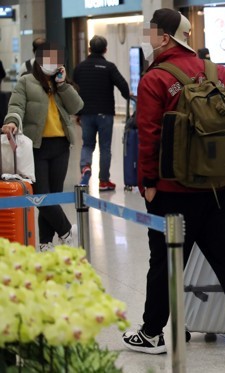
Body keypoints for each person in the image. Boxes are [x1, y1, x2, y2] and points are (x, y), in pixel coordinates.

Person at [121, 8, 225, 363]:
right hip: (219, 186)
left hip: (173, 190)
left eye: (153, 32)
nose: (150, 38)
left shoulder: (156, 78)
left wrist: (147, 181)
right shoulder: (215, 70)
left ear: (164, 37)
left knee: (164, 261)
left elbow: (150, 136)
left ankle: (151, 333)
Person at [2, 42, 84, 252]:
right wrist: (12, 120)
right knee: (42, 195)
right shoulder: (26, 81)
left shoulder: (61, 84)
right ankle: (67, 232)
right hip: (36, 147)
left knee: (53, 196)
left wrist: (63, 84)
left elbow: (77, 107)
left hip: (60, 146)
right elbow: (16, 105)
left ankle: (46, 243)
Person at [73, 35, 130, 191]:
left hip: (86, 113)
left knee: (88, 144)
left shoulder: (80, 68)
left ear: (90, 49)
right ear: (105, 49)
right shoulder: (109, 67)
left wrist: (78, 113)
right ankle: (104, 181)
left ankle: (85, 168)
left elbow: (73, 91)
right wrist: (128, 96)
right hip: (105, 113)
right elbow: (123, 85)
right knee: (105, 147)